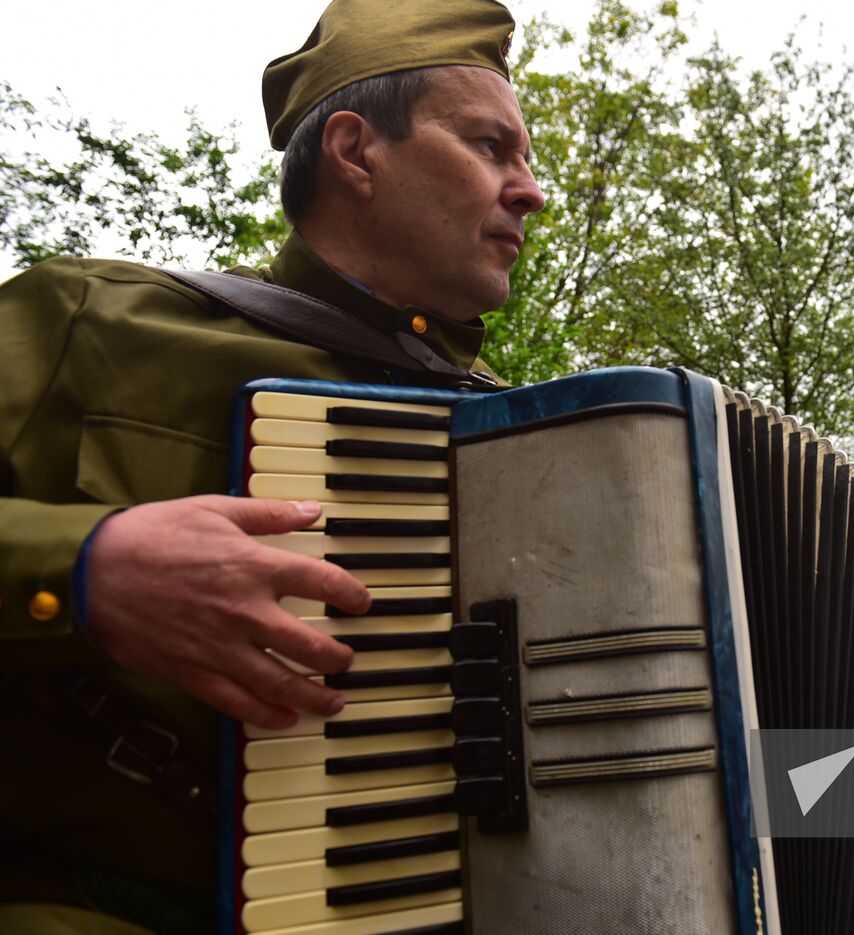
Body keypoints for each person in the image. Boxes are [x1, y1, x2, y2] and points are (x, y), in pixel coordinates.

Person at [0, 1, 543, 931]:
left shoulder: (541, 442)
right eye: (493, 147)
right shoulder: (94, 324)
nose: (531, 189)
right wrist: (82, 567)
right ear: (354, 150)